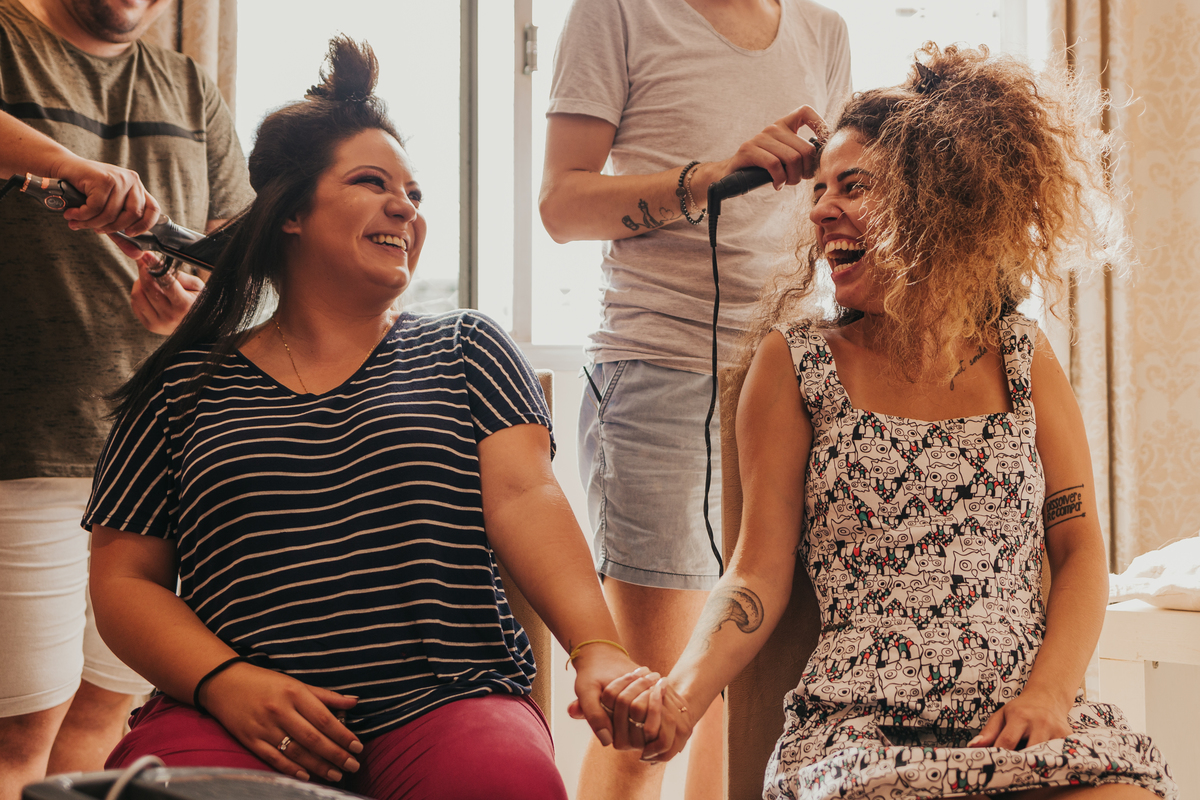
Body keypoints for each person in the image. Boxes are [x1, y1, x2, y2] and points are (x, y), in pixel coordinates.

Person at [603, 44, 1178, 799]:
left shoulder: (1021, 355)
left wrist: (1049, 694)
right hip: (859, 730)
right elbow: (754, 573)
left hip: (1023, 716)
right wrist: (679, 693)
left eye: (853, 186)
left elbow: (1076, 549)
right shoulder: (794, 364)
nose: (819, 208)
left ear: (933, 200)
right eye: (818, 189)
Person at [82, 36, 644, 800]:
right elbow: (124, 579)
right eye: (373, 183)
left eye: (415, 195)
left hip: (446, 700)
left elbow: (527, 500)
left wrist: (598, 648)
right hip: (230, 712)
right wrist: (225, 682)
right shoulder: (183, 383)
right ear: (291, 213)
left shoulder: (465, 346)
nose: (404, 208)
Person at [539, 1, 850, 797]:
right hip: (659, 373)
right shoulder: (616, 11)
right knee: (649, 708)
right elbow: (562, 205)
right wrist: (710, 179)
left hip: (792, 382)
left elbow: (836, 204)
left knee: (736, 695)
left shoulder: (824, 31)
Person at [0, 0, 253, 793]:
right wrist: (69, 166)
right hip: (25, 445)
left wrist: (196, 310)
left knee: (108, 719)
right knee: (17, 733)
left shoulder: (190, 87)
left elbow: (235, 264)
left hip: (153, 468)